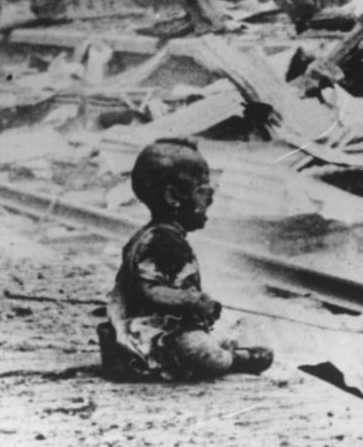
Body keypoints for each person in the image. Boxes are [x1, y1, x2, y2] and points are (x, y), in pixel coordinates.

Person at [99, 137, 273, 381]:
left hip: (162, 326)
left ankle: (229, 351)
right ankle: (234, 360)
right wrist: (192, 301)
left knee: (210, 336)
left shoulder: (156, 236)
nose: (211, 198)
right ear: (173, 197)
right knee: (199, 349)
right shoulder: (162, 241)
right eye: (203, 191)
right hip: (149, 331)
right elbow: (148, 289)